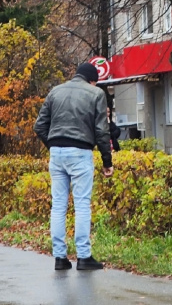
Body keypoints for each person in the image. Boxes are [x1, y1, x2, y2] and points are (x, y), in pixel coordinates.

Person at [34, 61, 113, 272]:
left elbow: (39, 126)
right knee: (81, 204)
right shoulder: (95, 94)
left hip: (56, 152)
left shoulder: (55, 92)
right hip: (80, 153)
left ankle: (60, 258)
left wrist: (52, 143)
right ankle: (84, 257)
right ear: (93, 80)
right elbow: (102, 131)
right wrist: (107, 161)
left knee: (58, 204)